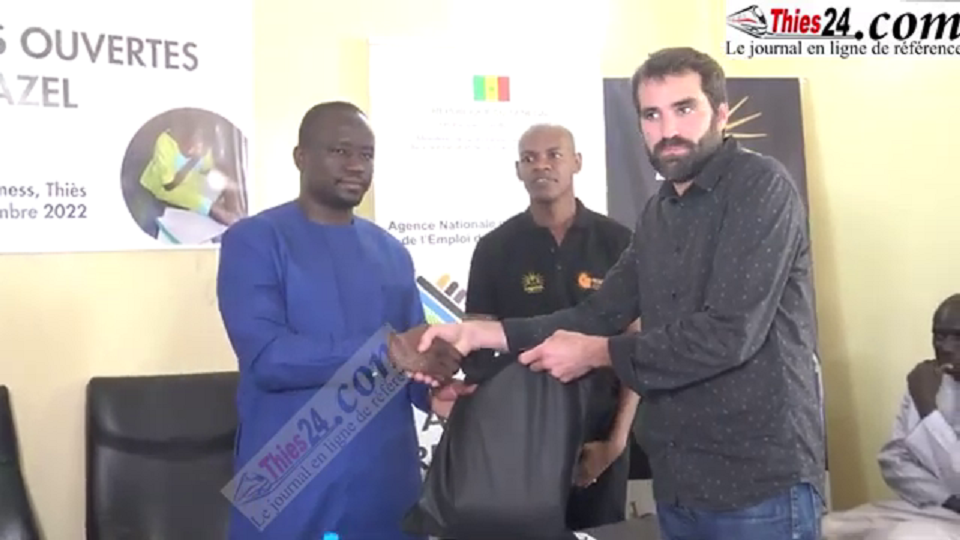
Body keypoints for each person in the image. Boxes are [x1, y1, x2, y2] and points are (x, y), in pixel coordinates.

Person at [413, 47, 825, 540]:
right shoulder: (659, 213)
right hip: (680, 480)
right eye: (652, 115)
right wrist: (478, 334)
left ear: (721, 113)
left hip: (756, 482)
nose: (668, 129)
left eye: (684, 108)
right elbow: (599, 312)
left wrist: (597, 353)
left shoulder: (761, 188)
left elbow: (728, 334)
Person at [216, 101, 469, 540]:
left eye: (367, 155)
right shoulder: (254, 240)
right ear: (301, 157)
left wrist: (433, 393)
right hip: (287, 481)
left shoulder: (392, 252)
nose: (356, 165)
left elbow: (412, 357)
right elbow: (268, 358)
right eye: (340, 151)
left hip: (385, 482)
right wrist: (389, 350)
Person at [462, 123, 643, 530]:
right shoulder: (494, 249)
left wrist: (615, 443)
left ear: (577, 162)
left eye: (553, 155)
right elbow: (477, 357)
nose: (541, 165)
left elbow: (637, 346)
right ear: (518, 170)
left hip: (599, 441)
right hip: (519, 446)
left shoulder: (619, 242)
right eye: (529, 158)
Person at [822, 294, 960, 540]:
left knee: (910, 536)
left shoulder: (923, 392)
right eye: (940, 336)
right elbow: (894, 460)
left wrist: (928, 410)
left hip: (939, 514)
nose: (946, 347)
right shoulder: (928, 381)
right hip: (937, 505)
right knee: (824, 527)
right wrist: (947, 499)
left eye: (958, 337)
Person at [140, 111, 243, 227]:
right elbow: (168, 185)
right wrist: (194, 160)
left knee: (225, 184)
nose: (200, 148)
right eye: (195, 144)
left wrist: (230, 193)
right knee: (206, 205)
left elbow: (207, 168)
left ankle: (229, 211)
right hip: (163, 187)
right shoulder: (165, 144)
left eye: (204, 145)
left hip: (191, 180)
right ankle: (220, 213)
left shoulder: (204, 145)